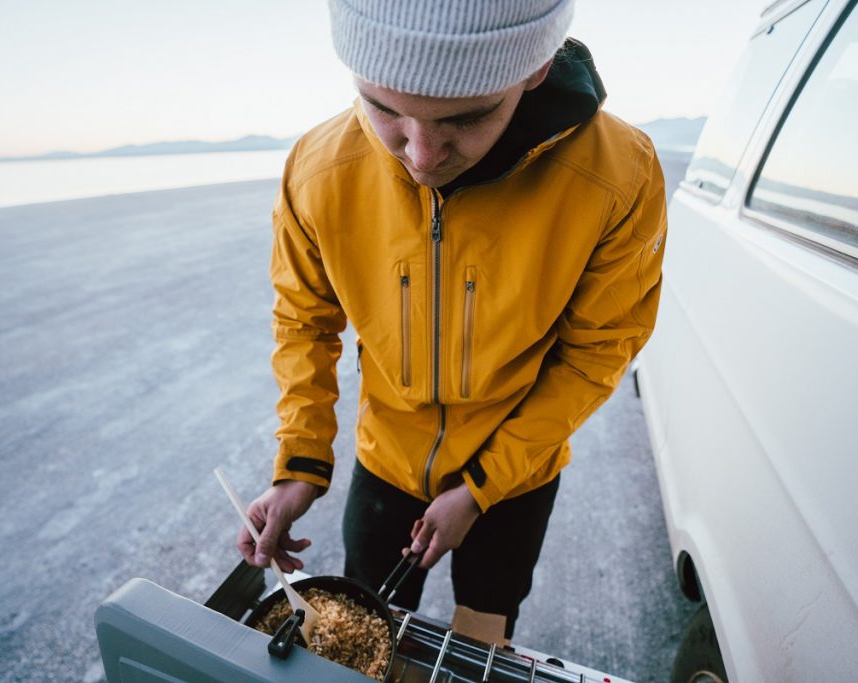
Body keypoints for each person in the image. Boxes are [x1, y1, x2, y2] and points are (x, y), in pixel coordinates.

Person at [237, 0, 667, 645]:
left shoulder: (618, 172)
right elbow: (305, 322)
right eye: (382, 108)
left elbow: (596, 353)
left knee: (483, 630)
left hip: (518, 471)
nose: (421, 155)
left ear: (536, 68)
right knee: (364, 631)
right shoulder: (317, 167)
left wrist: (482, 487)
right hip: (387, 459)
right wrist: (299, 463)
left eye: (465, 118)